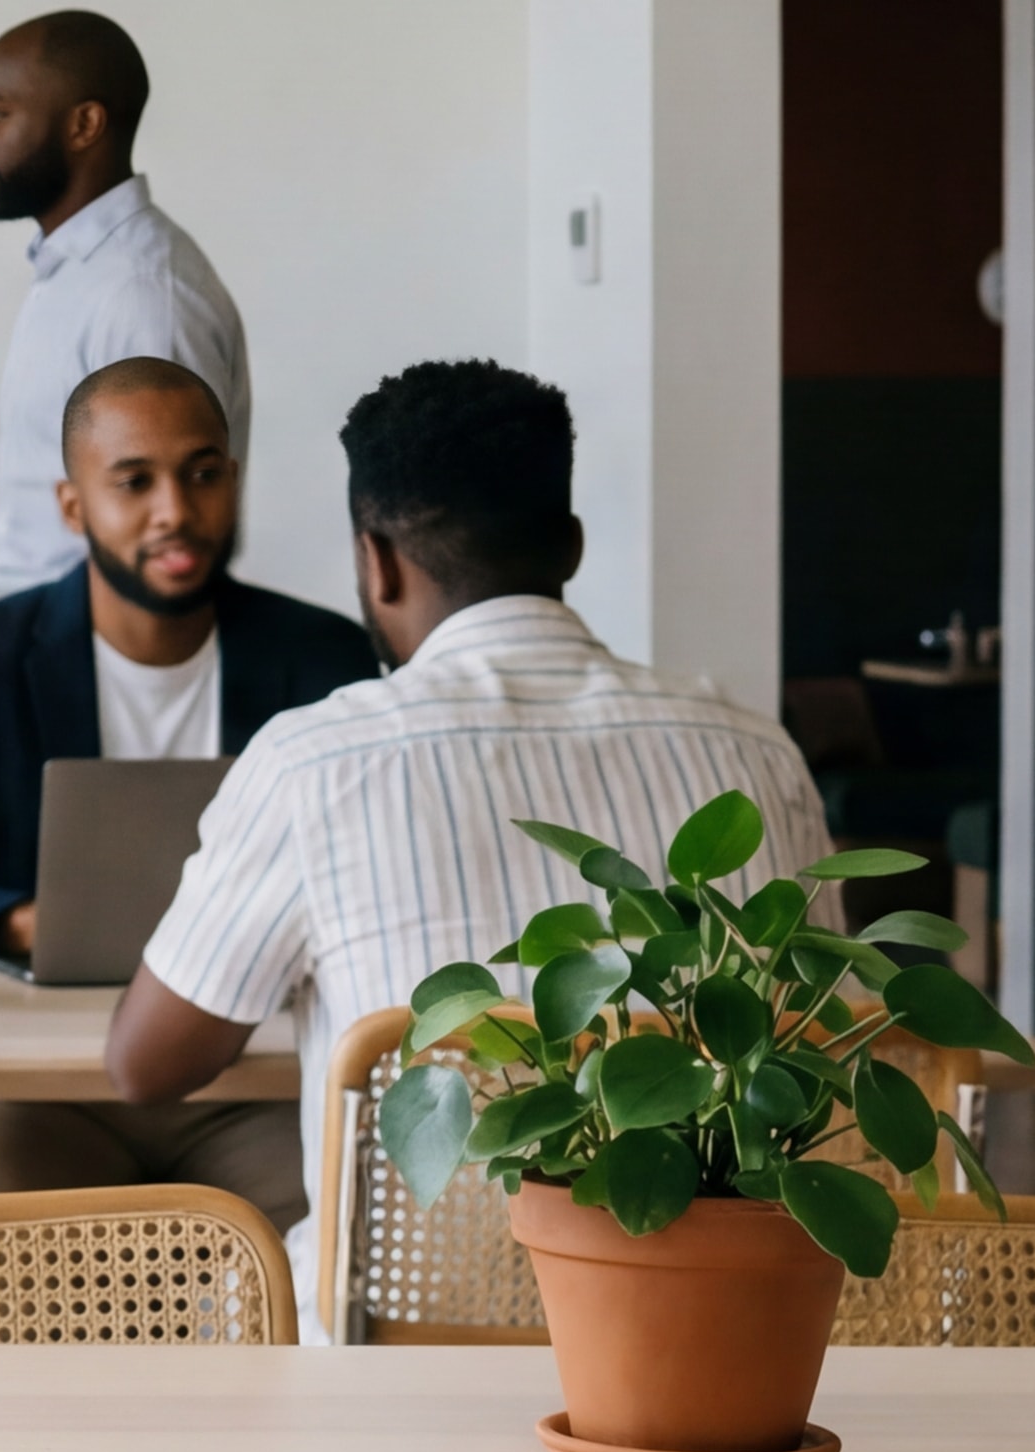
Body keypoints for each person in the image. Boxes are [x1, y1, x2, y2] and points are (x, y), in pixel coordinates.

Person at [107, 358, 836, 1124]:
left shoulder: (311, 765)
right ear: (572, 549)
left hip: (408, 1250)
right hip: (729, 1247)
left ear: (376, 563)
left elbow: (146, 1066)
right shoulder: (758, 751)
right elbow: (822, 1033)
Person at [0, 354, 379, 1207]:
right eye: (135, 482)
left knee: (352, 1205)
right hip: (27, 1092)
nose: (176, 510)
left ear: (232, 481)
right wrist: (20, 923)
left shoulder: (326, 660)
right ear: (73, 505)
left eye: (202, 474)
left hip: (253, 1085)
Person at [0, 9, 251, 595]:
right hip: (43, 640)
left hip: (90, 659)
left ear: (84, 125)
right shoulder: (77, 274)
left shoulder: (144, 296)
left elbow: (168, 530)